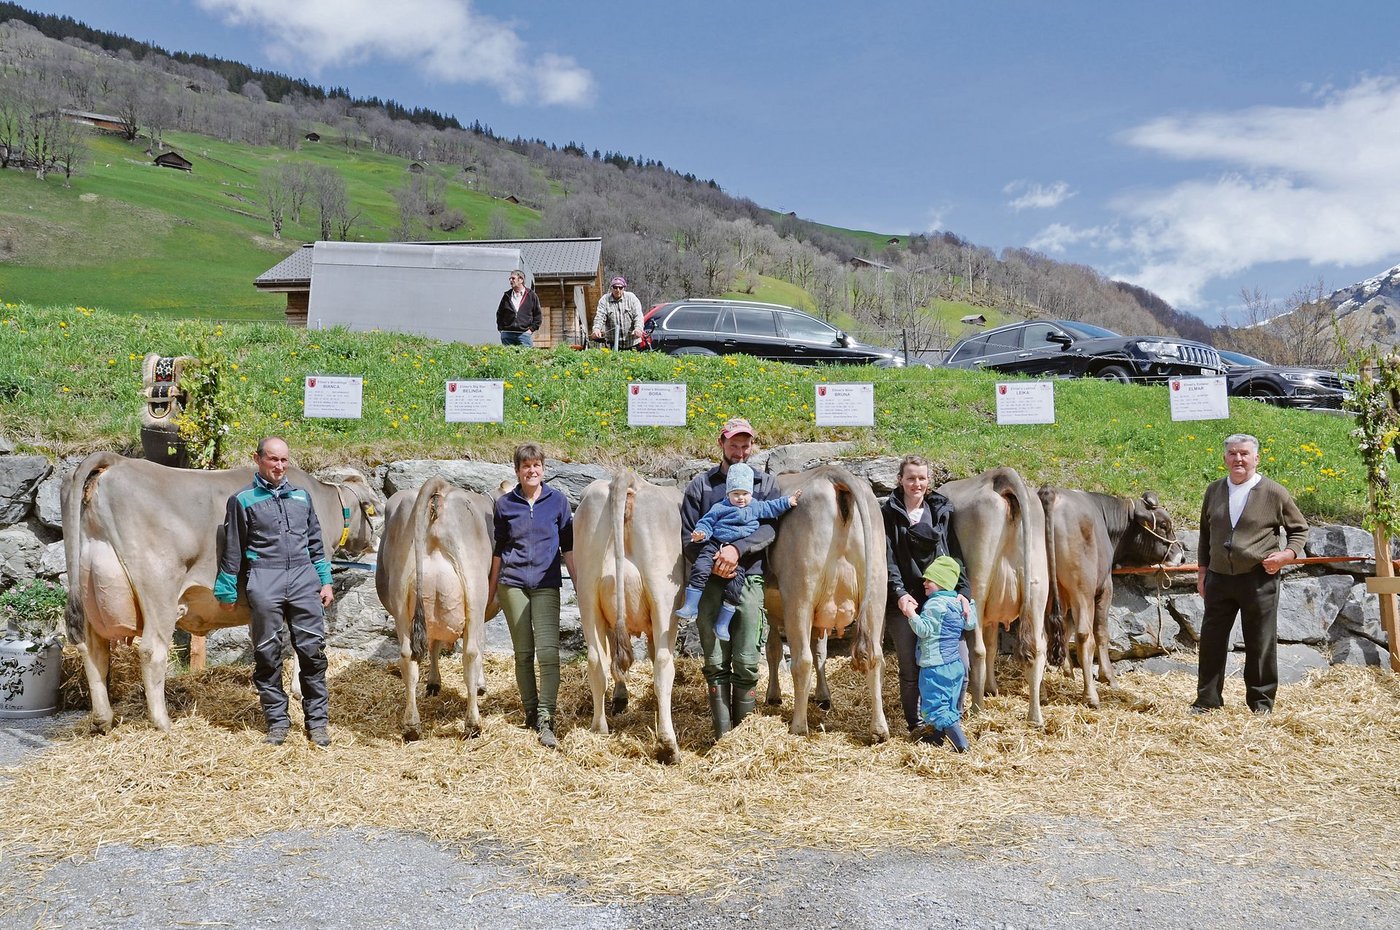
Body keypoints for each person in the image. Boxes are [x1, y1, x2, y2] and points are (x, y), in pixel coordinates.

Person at [215, 437, 335, 747]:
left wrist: (325, 580)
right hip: (264, 579)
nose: (279, 466)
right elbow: (232, 549)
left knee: (312, 653)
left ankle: (317, 722)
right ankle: (278, 722)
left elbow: (315, 544)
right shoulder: (242, 500)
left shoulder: (301, 498)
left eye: (284, 460)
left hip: (303, 578)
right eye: (272, 459)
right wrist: (227, 589)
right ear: (258, 459)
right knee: (267, 655)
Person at [1193, 433, 1308, 715]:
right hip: (1219, 578)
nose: (1238, 459)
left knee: (1260, 642)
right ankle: (1207, 700)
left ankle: (1261, 703)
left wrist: (1286, 556)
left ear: (1256, 458)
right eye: (1232, 453)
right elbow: (1205, 534)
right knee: (1211, 641)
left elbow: (1299, 530)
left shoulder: (1274, 492)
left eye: (1244, 453)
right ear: (1225, 459)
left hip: (1258, 578)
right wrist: (1202, 571)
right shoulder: (1214, 490)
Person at [680, 417, 780, 738]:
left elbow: (770, 528)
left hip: (749, 577)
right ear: (721, 443)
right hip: (709, 582)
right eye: (733, 444)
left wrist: (736, 550)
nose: (740, 451)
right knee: (714, 660)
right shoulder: (702, 487)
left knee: (747, 658)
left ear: (752, 446)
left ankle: (745, 736)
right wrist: (713, 563)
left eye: (745, 444)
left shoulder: (765, 485)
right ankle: (723, 736)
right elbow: (688, 536)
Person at [489, 443, 577, 749]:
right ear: (517, 470)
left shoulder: (558, 502)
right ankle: (529, 710)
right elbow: (498, 550)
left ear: (544, 469)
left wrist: (578, 584)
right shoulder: (505, 505)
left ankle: (546, 718)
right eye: (526, 466)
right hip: (512, 584)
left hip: (546, 583)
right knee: (524, 653)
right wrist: (491, 589)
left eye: (537, 465)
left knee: (549, 653)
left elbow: (568, 548)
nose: (532, 470)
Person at [882, 454, 972, 740]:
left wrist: (963, 594)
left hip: (944, 602)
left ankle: (948, 721)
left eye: (921, 478)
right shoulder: (888, 514)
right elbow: (887, 558)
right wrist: (898, 594)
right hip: (906, 601)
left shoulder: (942, 510)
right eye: (910, 478)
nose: (916, 483)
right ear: (900, 480)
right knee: (912, 669)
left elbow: (956, 557)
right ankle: (918, 725)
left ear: (929, 481)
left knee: (961, 665)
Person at [679, 462, 801, 642]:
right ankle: (690, 604)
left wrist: (788, 501)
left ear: (751, 493)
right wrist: (701, 534)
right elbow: (707, 522)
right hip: (715, 544)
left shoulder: (755, 506)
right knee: (701, 566)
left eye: (745, 494)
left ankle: (722, 624)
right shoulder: (720, 507)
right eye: (736, 494)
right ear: (728, 494)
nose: (741, 498)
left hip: (741, 554)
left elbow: (772, 508)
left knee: (735, 587)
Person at [908, 556, 976, 752]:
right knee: (948, 704)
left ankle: (961, 745)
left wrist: (911, 613)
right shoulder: (957, 603)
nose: (925, 583)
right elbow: (970, 623)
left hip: (935, 666)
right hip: (954, 665)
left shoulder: (934, 605)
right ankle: (936, 738)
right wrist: (970, 604)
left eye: (930, 580)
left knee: (936, 706)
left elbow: (924, 630)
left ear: (943, 582)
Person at [590, 276, 644, 349]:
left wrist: (638, 328)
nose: (617, 290)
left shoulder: (631, 298)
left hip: (632, 342)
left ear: (624, 288)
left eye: (620, 288)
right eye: (615, 287)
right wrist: (596, 329)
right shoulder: (604, 300)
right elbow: (600, 316)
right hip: (613, 343)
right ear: (611, 288)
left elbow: (638, 316)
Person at [496, 269, 541, 347]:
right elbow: (500, 313)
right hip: (507, 335)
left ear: (521, 280)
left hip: (524, 334)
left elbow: (538, 315)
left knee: (525, 357)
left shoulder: (531, 295)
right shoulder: (507, 295)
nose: (510, 280)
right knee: (508, 358)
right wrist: (502, 330)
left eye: (513, 278)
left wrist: (531, 330)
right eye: (510, 279)